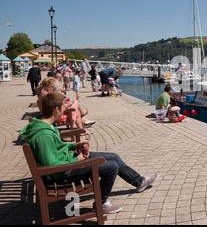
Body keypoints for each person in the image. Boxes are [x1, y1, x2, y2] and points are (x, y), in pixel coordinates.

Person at [20, 92, 159, 214]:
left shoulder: (47, 124)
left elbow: (56, 148)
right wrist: (77, 160)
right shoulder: (43, 135)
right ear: (56, 109)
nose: (64, 110)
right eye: (63, 107)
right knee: (112, 167)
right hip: (63, 172)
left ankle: (139, 181)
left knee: (114, 157)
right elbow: (52, 167)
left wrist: (74, 145)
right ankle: (101, 204)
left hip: (68, 160)